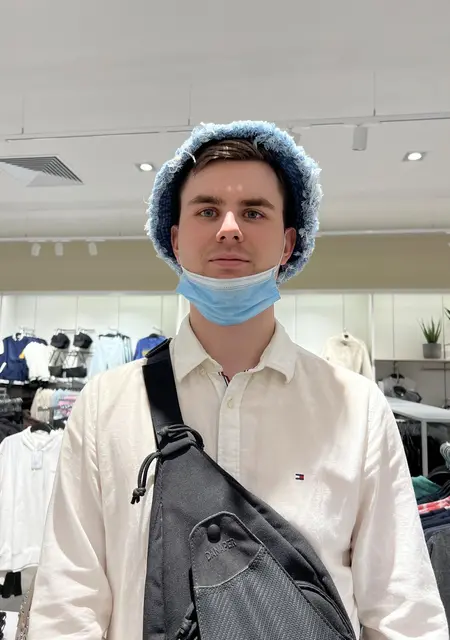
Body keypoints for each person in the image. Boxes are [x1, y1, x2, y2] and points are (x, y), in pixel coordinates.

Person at [28, 121, 448, 640]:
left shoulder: (355, 408)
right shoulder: (105, 406)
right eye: (207, 211)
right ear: (175, 239)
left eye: (253, 212)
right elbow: (68, 607)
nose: (229, 228)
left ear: (289, 243)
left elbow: (402, 611)